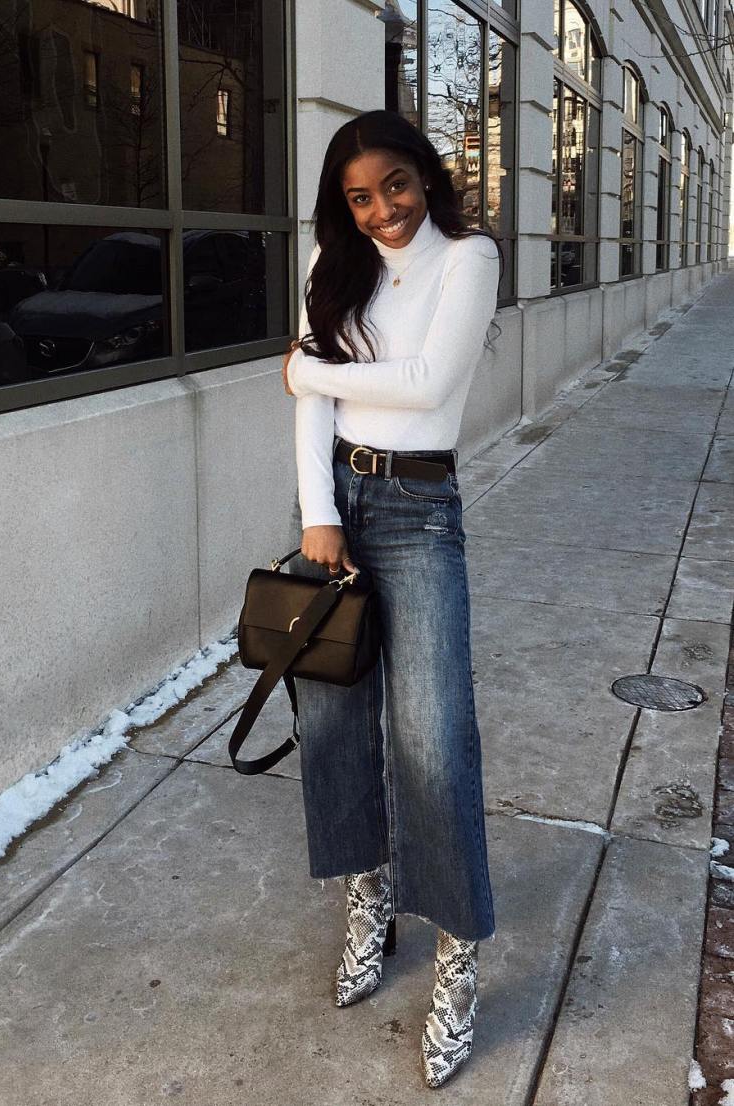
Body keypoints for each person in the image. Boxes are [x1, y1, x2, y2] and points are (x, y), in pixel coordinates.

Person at [280, 109, 503, 1089]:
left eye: (396, 186)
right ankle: (367, 893)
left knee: (435, 732)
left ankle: (457, 947)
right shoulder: (335, 266)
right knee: (332, 720)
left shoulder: (469, 259)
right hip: (342, 507)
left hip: (421, 510)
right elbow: (314, 411)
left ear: (425, 176)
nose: (382, 210)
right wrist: (317, 516)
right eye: (360, 196)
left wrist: (308, 367)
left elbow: (425, 383)